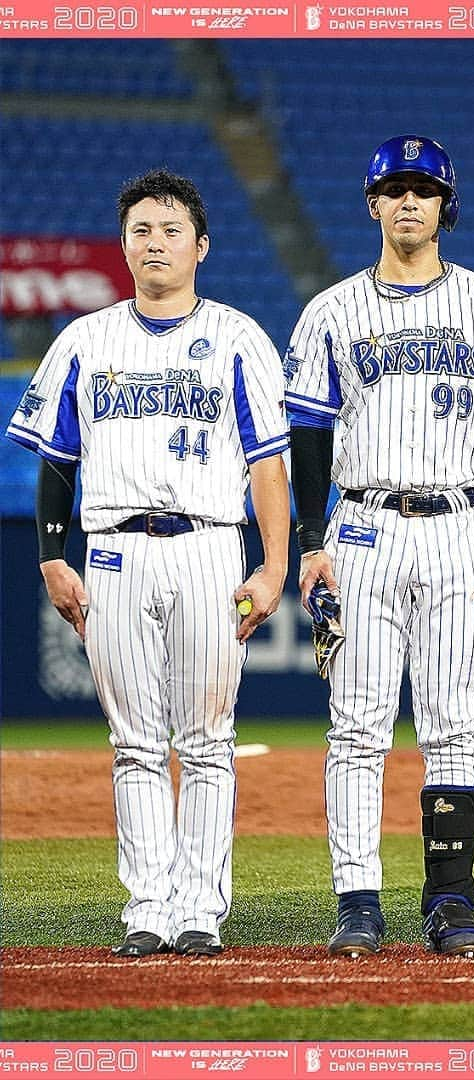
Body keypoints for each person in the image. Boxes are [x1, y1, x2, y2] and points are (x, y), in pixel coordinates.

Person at [6, 168, 290, 958]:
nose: (154, 242)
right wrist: (51, 558)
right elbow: (56, 461)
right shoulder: (85, 340)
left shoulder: (238, 337)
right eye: (140, 230)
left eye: (170, 229)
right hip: (114, 551)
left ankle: (199, 909)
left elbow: (269, 465)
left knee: (205, 737)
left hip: (206, 543)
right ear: (124, 247)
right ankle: (147, 907)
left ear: (200, 246)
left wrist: (273, 565)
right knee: (133, 741)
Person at [285, 135, 474, 959]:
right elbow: (309, 440)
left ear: (446, 206)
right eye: (394, 189)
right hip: (361, 526)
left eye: (424, 189)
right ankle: (357, 902)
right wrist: (309, 543)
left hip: (461, 528)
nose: (408, 201)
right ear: (373, 204)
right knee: (357, 726)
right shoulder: (330, 310)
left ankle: (449, 898)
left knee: (454, 727)